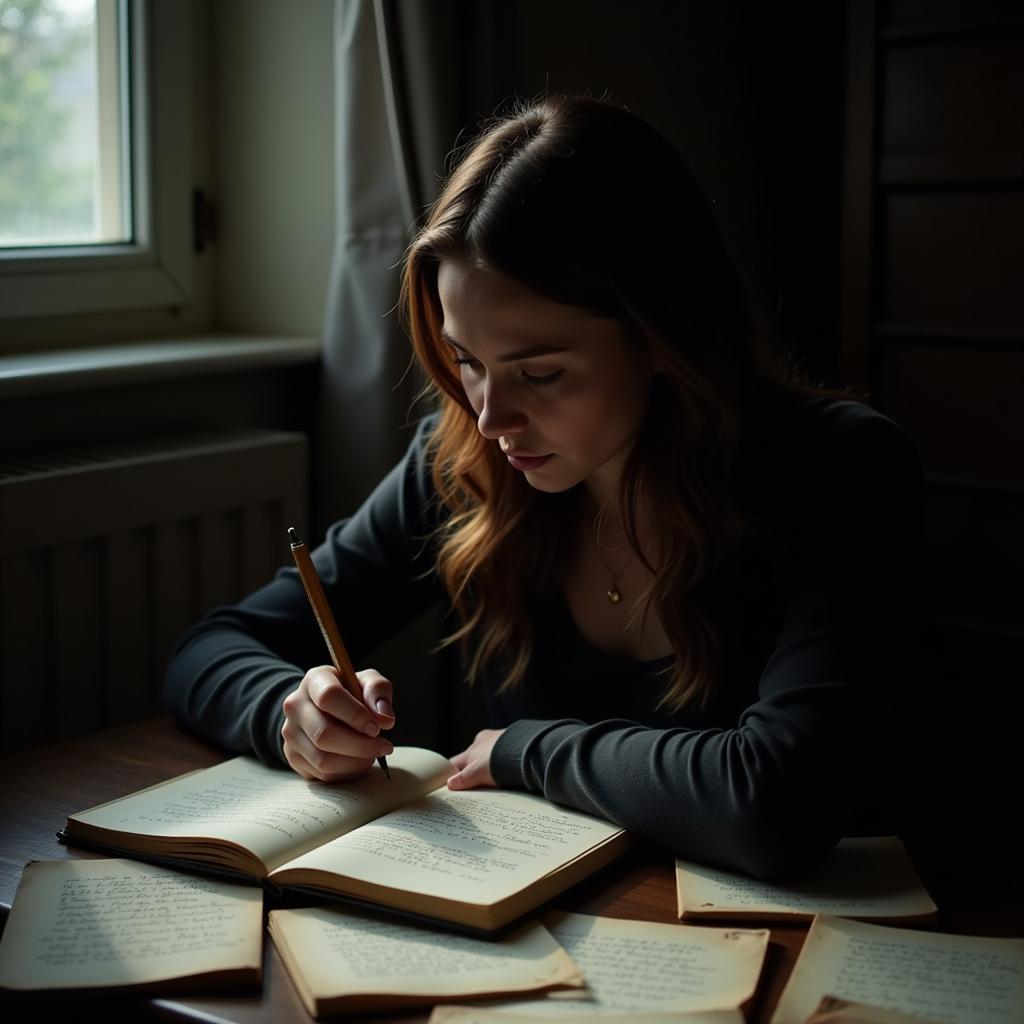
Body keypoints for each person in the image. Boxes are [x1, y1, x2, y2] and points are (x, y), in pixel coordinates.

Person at [164, 95, 920, 879]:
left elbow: (777, 805)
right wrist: (293, 714)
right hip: (538, 931)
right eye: (466, 360)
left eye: (541, 373)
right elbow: (208, 649)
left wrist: (531, 749)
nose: (491, 417)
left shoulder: (842, 472)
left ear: (664, 337)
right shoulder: (464, 464)